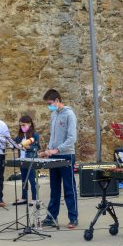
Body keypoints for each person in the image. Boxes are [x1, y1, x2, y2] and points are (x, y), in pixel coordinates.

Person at [40, 89, 79, 229]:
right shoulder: (53, 115)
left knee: (69, 188)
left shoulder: (69, 114)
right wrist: (48, 150)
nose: (49, 106)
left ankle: (73, 217)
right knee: (54, 188)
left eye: (50, 103)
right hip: (54, 156)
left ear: (57, 100)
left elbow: (71, 138)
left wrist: (57, 149)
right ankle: (51, 217)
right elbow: (53, 136)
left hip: (66, 155)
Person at [12, 115, 40, 206]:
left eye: (23, 125)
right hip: (22, 160)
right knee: (23, 179)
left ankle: (35, 198)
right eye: (20, 125)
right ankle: (24, 197)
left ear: (29, 124)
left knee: (32, 179)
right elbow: (14, 143)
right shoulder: (20, 136)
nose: (22, 127)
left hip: (30, 160)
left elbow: (37, 147)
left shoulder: (34, 135)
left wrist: (29, 147)